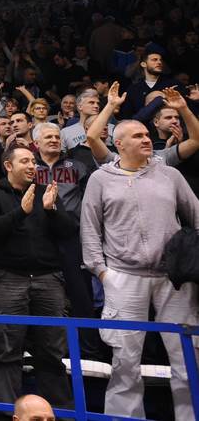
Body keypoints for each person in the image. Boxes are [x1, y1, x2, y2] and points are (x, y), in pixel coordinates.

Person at [81, 117, 199, 421]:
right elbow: (90, 229)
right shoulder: (100, 179)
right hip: (123, 276)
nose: (147, 139)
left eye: (147, 134)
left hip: (173, 278)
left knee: (188, 357)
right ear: (119, 144)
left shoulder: (170, 174)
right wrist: (103, 273)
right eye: (138, 136)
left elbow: (196, 215)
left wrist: (191, 262)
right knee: (125, 361)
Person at [0, 146, 74, 408]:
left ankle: (59, 412)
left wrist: (52, 210)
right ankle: (7, 412)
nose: (33, 165)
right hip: (8, 279)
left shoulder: (47, 192)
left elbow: (68, 231)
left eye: (34, 161)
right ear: (8, 166)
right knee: (8, 351)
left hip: (48, 279)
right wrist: (21, 211)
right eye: (25, 161)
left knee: (52, 353)